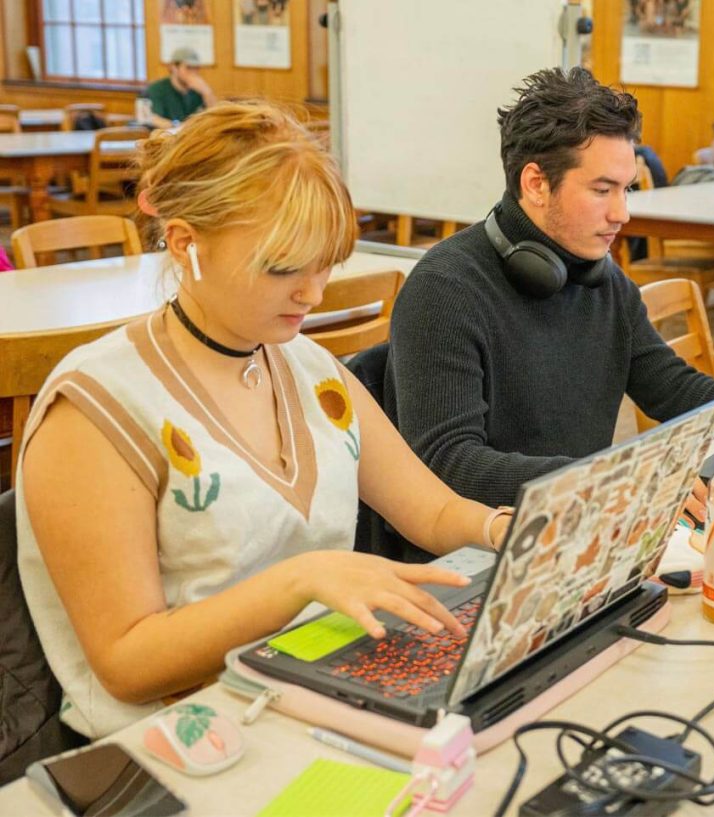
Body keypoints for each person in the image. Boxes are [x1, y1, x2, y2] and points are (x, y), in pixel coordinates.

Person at [15, 102, 513, 740]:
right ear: (186, 243)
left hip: (312, 692)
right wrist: (303, 579)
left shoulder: (308, 369)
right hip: (177, 737)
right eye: (283, 268)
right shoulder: (97, 407)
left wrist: (514, 529)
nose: (312, 292)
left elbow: (433, 513)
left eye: (324, 262)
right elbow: (127, 664)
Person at [382, 67, 714, 560]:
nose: (623, 214)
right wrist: (610, 481)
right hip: (479, 551)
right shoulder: (445, 289)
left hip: (581, 530)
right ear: (536, 185)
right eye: (602, 190)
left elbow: (669, 385)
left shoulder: (596, 275)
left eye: (626, 189)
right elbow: (447, 462)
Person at [145, 47, 216, 129]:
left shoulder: (198, 90)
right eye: (188, 68)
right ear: (174, 67)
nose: (193, 72)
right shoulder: (157, 89)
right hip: (166, 138)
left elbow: (216, 117)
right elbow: (154, 119)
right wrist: (180, 127)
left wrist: (207, 93)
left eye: (196, 68)